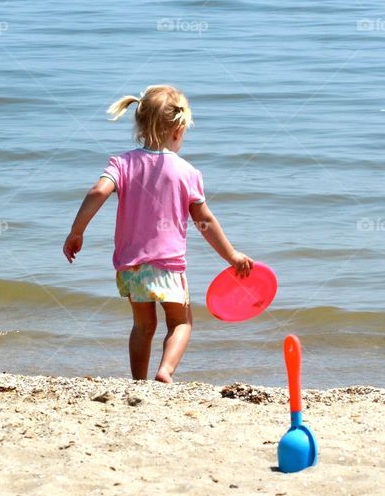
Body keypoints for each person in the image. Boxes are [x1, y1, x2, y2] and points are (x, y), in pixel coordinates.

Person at [63, 84, 253, 383]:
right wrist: (231, 255)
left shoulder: (122, 163)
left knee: (143, 326)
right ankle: (164, 371)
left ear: (139, 124)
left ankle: (139, 382)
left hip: (132, 265)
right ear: (177, 130)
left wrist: (77, 232)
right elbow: (203, 218)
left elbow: (99, 190)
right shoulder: (187, 172)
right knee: (181, 322)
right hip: (168, 265)